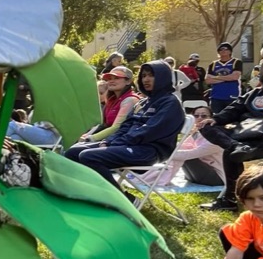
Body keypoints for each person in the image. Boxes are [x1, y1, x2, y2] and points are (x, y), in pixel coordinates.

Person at [63, 60, 185, 190]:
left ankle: (123, 199)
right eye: (143, 76)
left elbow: (149, 131)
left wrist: (115, 143)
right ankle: (88, 192)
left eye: (151, 75)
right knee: (72, 152)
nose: (146, 79)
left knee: (89, 156)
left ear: (163, 77)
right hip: (130, 144)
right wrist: (109, 141)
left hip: (150, 150)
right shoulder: (143, 102)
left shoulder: (170, 103)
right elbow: (125, 127)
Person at [198, 63, 263, 211]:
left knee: (231, 154)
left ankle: (230, 200)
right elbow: (235, 108)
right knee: (207, 126)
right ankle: (236, 146)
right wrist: (216, 119)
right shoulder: (254, 93)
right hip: (245, 137)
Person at [134, 105, 224, 187]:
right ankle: (151, 175)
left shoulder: (216, 137)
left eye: (204, 116)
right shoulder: (197, 133)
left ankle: (156, 177)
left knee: (181, 154)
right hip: (197, 175)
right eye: (196, 116)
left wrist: (161, 151)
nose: (200, 118)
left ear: (211, 118)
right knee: (178, 151)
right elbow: (180, 147)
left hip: (216, 177)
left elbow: (189, 154)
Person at [74, 65, 139, 145]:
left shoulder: (130, 100)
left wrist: (91, 138)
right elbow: (103, 124)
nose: (111, 81)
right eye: (109, 79)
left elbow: (117, 127)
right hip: (109, 139)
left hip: (119, 141)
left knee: (75, 152)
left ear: (128, 81)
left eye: (116, 78)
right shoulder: (111, 99)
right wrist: (87, 135)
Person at [205, 42, 243, 113]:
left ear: (230, 51)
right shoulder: (213, 64)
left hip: (232, 95)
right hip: (216, 96)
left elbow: (235, 77)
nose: (223, 51)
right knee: (216, 117)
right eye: (221, 49)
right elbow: (208, 80)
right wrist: (227, 78)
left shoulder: (236, 62)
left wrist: (215, 77)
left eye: (226, 49)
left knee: (232, 118)